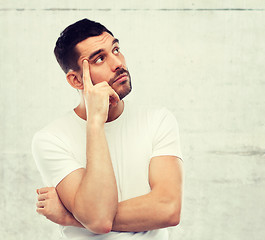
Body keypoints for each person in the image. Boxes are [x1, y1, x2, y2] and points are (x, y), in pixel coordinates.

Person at [32, 18, 183, 240]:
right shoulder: (51, 139)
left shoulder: (158, 120)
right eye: (100, 58)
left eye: (116, 49)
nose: (117, 63)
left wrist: (73, 217)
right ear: (75, 80)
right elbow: (99, 219)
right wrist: (95, 123)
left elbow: (168, 209)